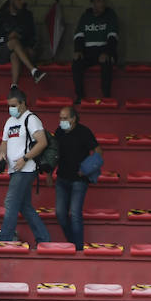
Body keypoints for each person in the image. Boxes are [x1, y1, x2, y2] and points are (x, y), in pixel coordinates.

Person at [0, 87, 52, 246]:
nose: (11, 108)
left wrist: (25, 158)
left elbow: (42, 142)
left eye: (14, 105)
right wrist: (2, 156)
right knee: (25, 207)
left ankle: (4, 241)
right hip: (14, 169)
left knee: (11, 202)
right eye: (9, 105)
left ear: (23, 103)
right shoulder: (10, 121)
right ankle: (44, 239)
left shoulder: (31, 119)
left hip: (26, 169)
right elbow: (4, 142)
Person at [53, 106, 101, 250]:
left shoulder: (84, 132)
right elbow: (53, 153)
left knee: (75, 214)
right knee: (60, 214)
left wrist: (88, 168)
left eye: (65, 118)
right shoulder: (59, 132)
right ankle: (73, 243)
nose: (62, 121)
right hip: (62, 179)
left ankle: (78, 249)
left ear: (73, 119)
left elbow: (98, 151)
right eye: (61, 118)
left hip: (79, 181)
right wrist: (49, 173)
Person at [0, 0, 44, 88]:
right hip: (1, 52)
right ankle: (34, 71)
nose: (23, 1)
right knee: (14, 42)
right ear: (11, 0)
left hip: (21, 52)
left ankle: (14, 86)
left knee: (15, 54)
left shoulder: (27, 15)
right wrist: (7, 38)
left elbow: (33, 37)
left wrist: (29, 47)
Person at [72, 0, 119, 103]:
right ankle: (80, 96)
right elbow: (79, 36)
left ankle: (106, 96)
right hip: (88, 51)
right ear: (92, 4)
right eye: (98, 1)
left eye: (102, 1)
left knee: (106, 61)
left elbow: (112, 37)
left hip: (104, 49)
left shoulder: (110, 15)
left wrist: (107, 52)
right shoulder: (86, 17)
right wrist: (78, 51)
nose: (101, 3)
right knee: (76, 62)